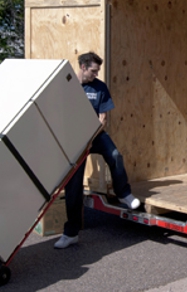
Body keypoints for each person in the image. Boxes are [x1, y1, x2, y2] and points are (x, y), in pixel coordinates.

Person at [54, 52, 140, 249]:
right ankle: (71, 233)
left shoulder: (100, 87)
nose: (96, 74)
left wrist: (91, 138)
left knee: (115, 156)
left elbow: (103, 120)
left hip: (95, 135)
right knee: (73, 188)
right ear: (83, 67)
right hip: (74, 141)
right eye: (93, 70)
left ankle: (123, 193)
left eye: (98, 70)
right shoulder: (68, 86)